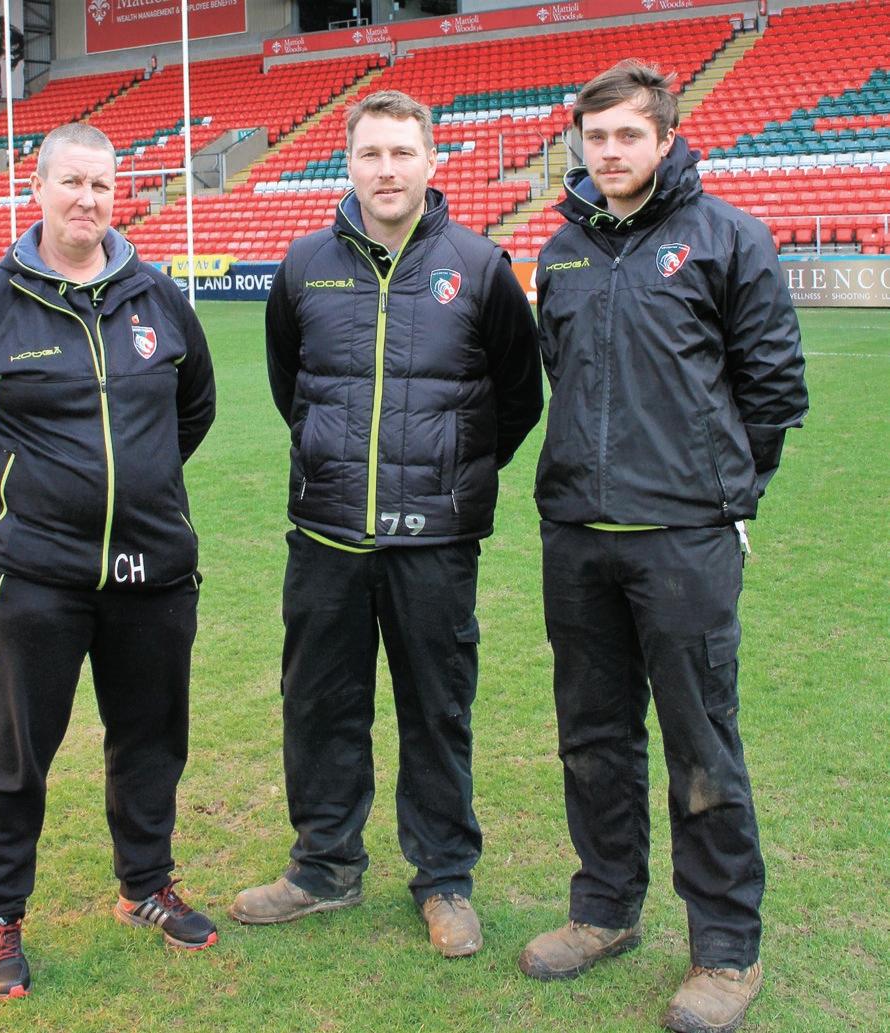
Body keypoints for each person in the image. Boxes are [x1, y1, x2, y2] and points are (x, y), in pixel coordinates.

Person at [520, 61, 808, 1033]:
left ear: (664, 138)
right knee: (591, 737)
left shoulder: (727, 238)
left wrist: (720, 493)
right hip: (577, 537)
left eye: (626, 135)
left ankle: (724, 947)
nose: (608, 152)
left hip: (684, 540)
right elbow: (558, 373)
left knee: (700, 741)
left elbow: (772, 388)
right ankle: (604, 909)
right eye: (594, 136)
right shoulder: (561, 250)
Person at [229, 90, 543, 958]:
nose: (387, 169)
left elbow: (518, 397)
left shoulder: (478, 266)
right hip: (326, 536)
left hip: (433, 543)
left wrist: (451, 473)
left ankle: (444, 878)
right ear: (349, 163)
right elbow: (292, 383)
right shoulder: (304, 264)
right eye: (371, 153)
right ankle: (323, 866)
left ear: (432, 162)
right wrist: (329, 460)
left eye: (403, 152)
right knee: (319, 706)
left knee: (436, 711)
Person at [0, 122, 218, 1000]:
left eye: (102, 185)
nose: (88, 199)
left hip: (152, 570)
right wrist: (21, 496)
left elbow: (193, 409)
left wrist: (140, 488)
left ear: (118, 196)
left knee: (151, 738)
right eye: (72, 182)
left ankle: (146, 884)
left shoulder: (159, 298)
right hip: (31, 574)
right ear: (38, 189)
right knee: (15, 751)